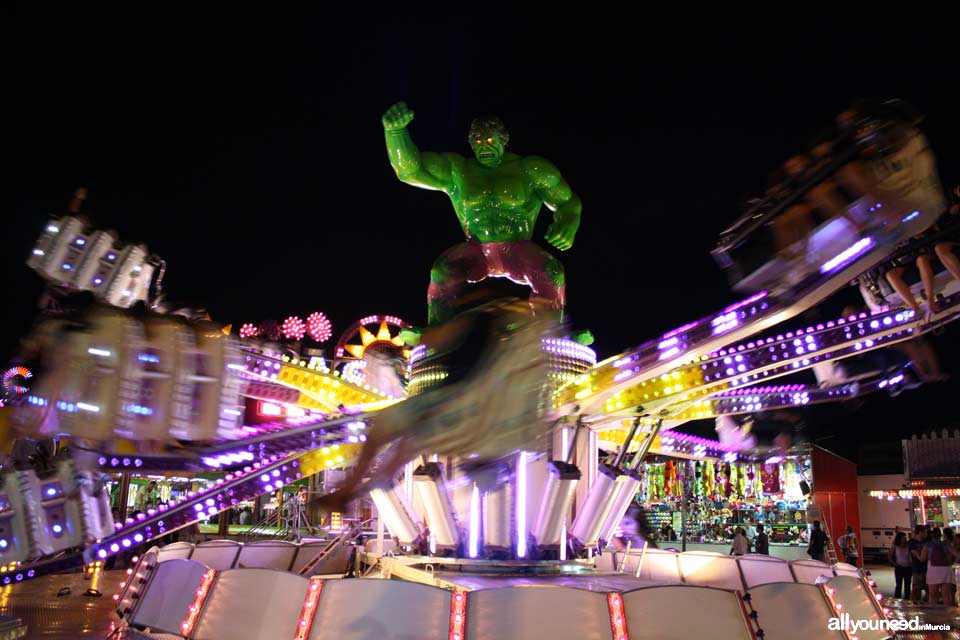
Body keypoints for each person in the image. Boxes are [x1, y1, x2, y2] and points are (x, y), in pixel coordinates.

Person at [382, 101, 581, 327]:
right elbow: (410, 171)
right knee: (441, 272)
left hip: (517, 248)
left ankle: (548, 333)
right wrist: (395, 133)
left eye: (489, 141)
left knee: (552, 272)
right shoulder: (459, 171)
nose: (483, 147)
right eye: (477, 142)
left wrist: (568, 223)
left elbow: (567, 201)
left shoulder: (530, 169)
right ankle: (436, 332)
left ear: (503, 140)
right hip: (477, 248)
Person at [919, 527, 960, 606]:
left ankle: (935, 615)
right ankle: (948, 615)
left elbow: (922, 558)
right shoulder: (946, 545)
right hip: (946, 571)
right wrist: (952, 562)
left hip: (933, 571)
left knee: (933, 596)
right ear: (940, 535)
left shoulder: (928, 545)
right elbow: (958, 555)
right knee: (947, 597)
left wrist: (917, 555)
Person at [889, 531, 913, 600]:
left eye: (905, 537)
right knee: (898, 585)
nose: (905, 539)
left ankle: (907, 599)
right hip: (899, 567)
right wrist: (895, 564)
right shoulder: (895, 546)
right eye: (903, 538)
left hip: (908, 568)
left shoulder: (908, 546)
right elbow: (890, 556)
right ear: (899, 538)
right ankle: (897, 599)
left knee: (907, 585)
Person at [909, 525, 929, 604]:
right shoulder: (912, 542)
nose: (926, 534)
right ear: (920, 532)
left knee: (928, 588)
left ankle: (926, 604)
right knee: (917, 589)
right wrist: (921, 556)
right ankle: (914, 604)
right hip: (917, 569)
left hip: (927, 569)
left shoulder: (926, 541)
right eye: (925, 532)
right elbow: (918, 556)